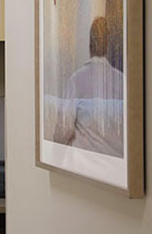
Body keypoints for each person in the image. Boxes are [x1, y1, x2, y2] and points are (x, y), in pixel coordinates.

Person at [52, 16, 125, 157]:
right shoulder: (122, 81)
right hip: (117, 169)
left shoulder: (77, 80)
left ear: (90, 45)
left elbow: (63, 131)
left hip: (84, 168)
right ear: (109, 47)